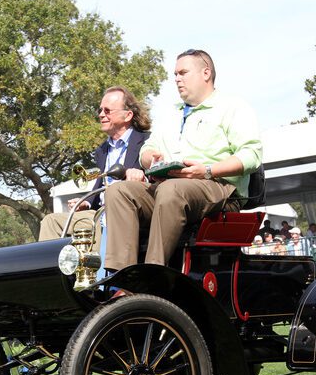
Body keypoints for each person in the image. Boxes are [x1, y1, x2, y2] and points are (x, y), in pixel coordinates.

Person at [104, 49, 262, 270]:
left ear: (206, 73)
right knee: (118, 191)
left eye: (183, 73)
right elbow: (147, 149)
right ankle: (121, 275)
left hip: (218, 188)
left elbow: (251, 155)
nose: (177, 79)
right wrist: (151, 159)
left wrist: (207, 170)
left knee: (172, 190)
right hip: (170, 188)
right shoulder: (171, 114)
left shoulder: (232, 107)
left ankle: (152, 273)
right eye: (175, 74)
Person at [38, 86, 150, 241]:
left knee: (101, 224)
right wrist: (86, 203)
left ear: (127, 115)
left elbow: (156, 181)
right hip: (100, 214)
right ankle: (50, 266)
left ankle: (99, 265)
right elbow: (100, 187)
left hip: (128, 213)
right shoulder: (101, 150)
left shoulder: (147, 141)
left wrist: (141, 177)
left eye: (107, 110)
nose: (101, 115)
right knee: (51, 222)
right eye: (100, 110)